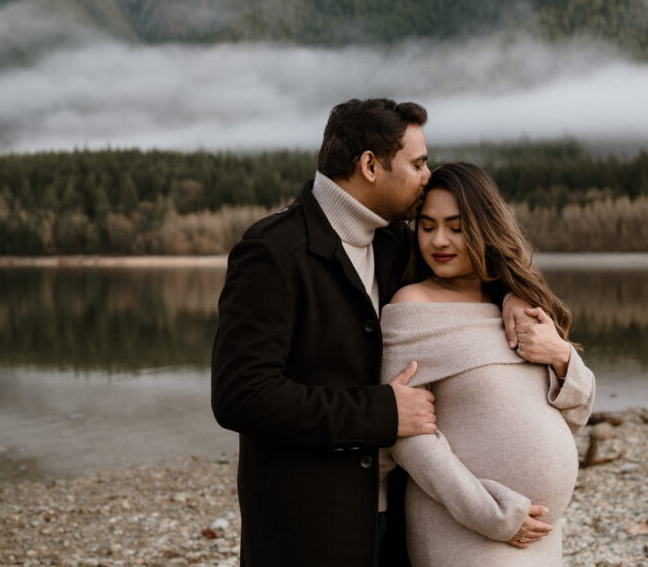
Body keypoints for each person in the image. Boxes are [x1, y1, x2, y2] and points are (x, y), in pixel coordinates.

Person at [211, 99, 537, 566]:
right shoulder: (272, 253)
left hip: (403, 521)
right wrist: (380, 412)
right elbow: (241, 395)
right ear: (369, 165)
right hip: (309, 532)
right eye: (418, 163)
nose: (428, 175)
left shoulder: (397, 242)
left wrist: (510, 295)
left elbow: (473, 267)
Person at [379, 162, 596, 566]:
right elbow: (408, 439)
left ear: (485, 226)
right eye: (427, 226)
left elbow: (577, 412)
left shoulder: (518, 305)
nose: (439, 240)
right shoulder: (413, 306)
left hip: (539, 532)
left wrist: (563, 356)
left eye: (456, 226)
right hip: (467, 526)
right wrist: (496, 516)